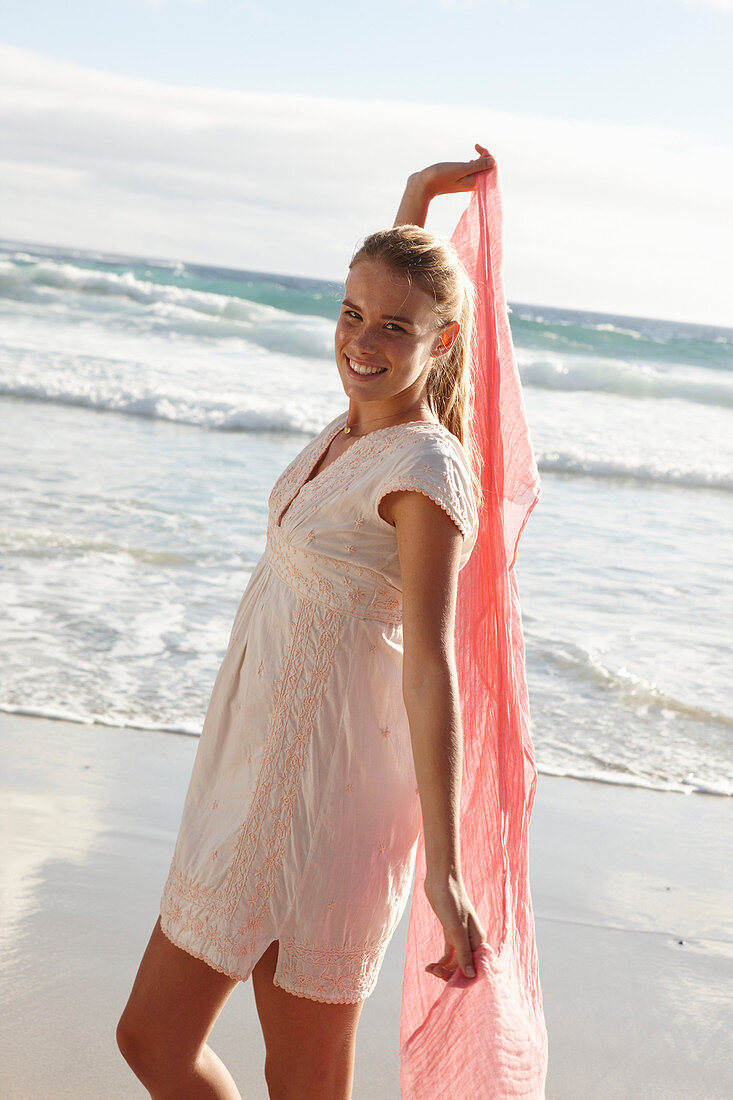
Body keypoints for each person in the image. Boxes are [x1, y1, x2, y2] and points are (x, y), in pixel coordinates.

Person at [116, 144, 499, 1100]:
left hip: (323, 797)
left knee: (304, 1079)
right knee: (151, 1041)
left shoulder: (423, 470)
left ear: (442, 342)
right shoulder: (356, 423)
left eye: (395, 330)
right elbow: (387, 289)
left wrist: (446, 876)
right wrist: (414, 201)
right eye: (349, 312)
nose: (362, 341)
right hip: (246, 773)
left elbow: (430, 668)